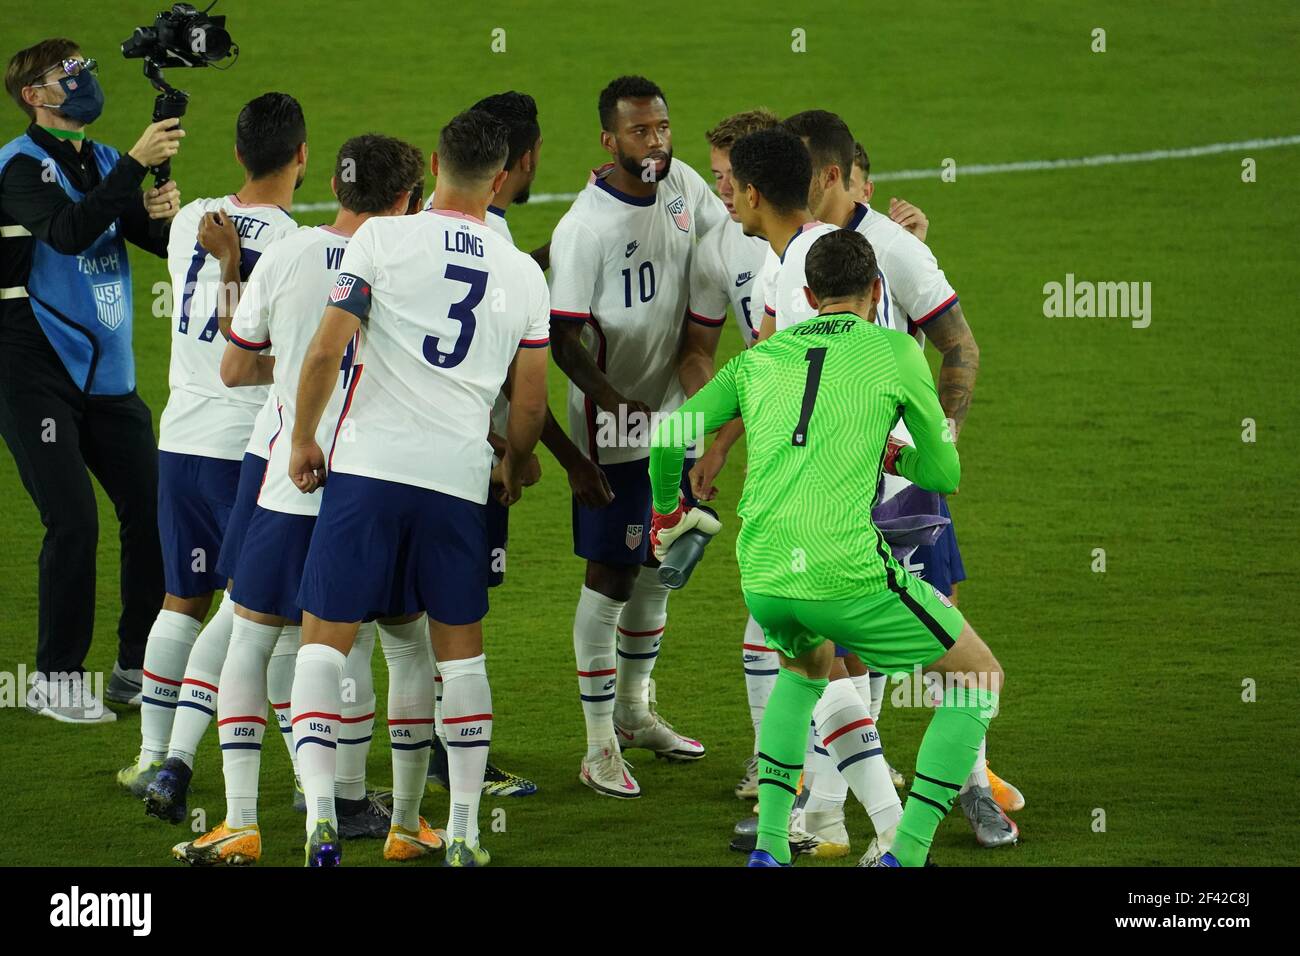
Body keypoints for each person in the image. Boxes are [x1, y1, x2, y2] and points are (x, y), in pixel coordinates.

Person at [649, 228, 1004, 867]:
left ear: (807, 296)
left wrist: (668, 511)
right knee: (978, 679)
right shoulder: (896, 352)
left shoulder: (760, 358)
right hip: (844, 568)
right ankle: (908, 851)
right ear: (876, 291)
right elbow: (944, 475)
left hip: (764, 573)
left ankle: (771, 850)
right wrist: (898, 452)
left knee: (803, 670)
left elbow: (670, 433)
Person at [288, 109, 550, 867]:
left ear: (435, 165)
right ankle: (463, 829)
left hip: (368, 473)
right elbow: (528, 402)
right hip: (457, 482)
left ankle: (318, 818)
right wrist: (513, 464)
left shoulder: (379, 238)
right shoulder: (521, 273)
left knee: (323, 650)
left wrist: (305, 438)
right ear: (500, 179)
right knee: (456, 658)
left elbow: (324, 352)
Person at [168, 134, 429, 867]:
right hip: (381, 481)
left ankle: (242, 820)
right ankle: (389, 812)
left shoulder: (283, 252)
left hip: (291, 473)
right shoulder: (411, 265)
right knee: (389, 643)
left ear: (340, 188)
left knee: (251, 641)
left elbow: (236, 359)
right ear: (407, 199)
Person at [781, 109, 1023, 842]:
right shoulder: (796, 252)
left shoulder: (894, 251)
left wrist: (935, 444)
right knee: (848, 651)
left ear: (828, 174)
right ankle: (834, 808)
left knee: (943, 638)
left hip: (904, 487)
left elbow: (961, 346)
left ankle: (973, 786)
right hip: (832, 487)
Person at [115, 93, 309, 816]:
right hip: (244, 448)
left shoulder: (192, 219)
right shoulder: (296, 245)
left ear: (237, 153)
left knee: (181, 600)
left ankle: (149, 757)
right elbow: (249, 347)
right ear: (302, 156)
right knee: (266, 616)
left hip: (181, 439)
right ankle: (304, 781)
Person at [549, 75, 727, 797]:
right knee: (613, 576)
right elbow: (560, 341)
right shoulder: (585, 228)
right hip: (615, 433)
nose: (654, 143)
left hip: (673, 420)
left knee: (661, 564)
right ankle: (597, 748)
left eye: (660, 127)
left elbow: (729, 239)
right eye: (639, 132)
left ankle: (632, 712)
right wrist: (615, 402)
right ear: (608, 141)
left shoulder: (684, 184)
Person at [0, 39, 182, 723]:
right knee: (72, 519)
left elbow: (148, 237)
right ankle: (55, 677)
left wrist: (163, 210)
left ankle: (137, 667)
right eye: (64, 75)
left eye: (83, 70)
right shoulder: (17, 167)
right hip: (30, 368)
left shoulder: (101, 159)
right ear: (34, 97)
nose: (80, 81)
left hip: (108, 371)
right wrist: (137, 164)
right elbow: (72, 231)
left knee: (151, 512)